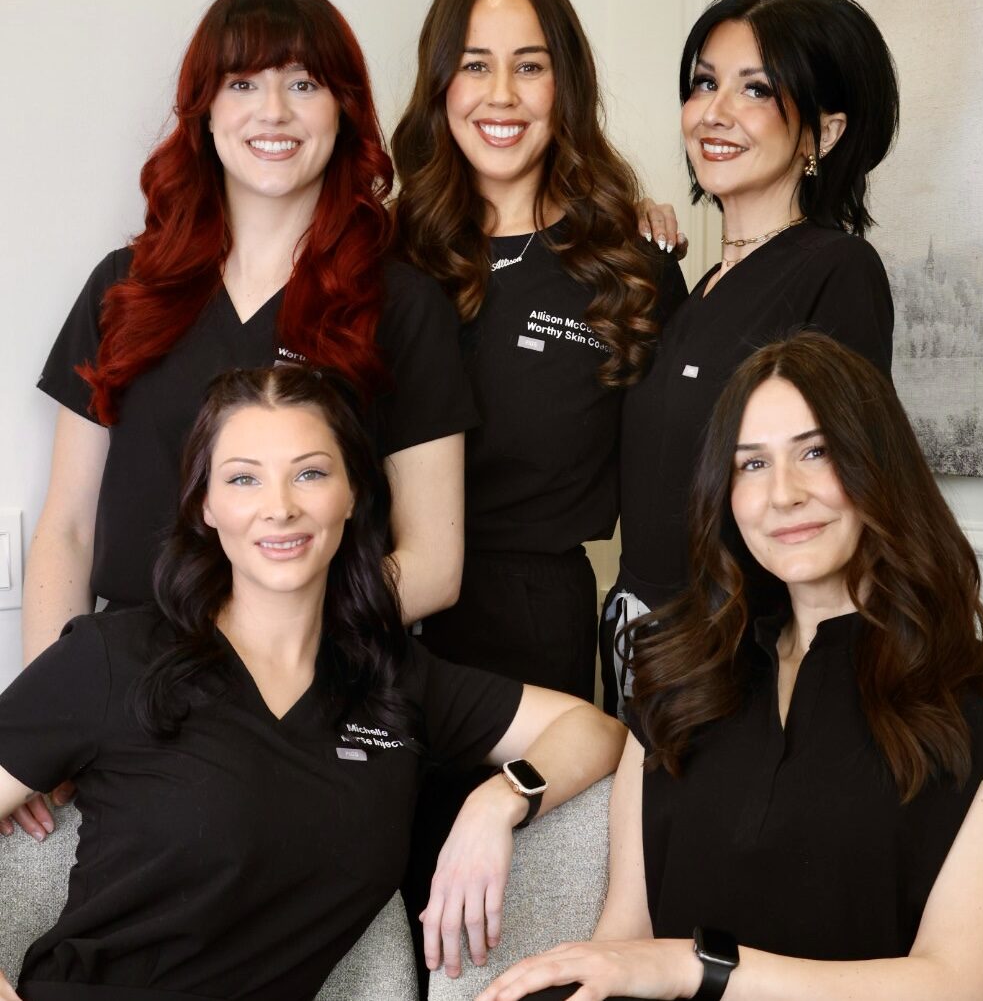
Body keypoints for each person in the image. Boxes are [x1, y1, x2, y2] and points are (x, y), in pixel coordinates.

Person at [476, 332, 983, 1001]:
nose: (782, 494)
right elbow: (626, 936)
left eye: (816, 452)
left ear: (880, 466)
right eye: (752, 464)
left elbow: (961, 987)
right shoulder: (676, 681)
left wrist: (697, 968)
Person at [9, 0, 475, 836]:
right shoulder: (123, 289)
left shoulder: (403, 307)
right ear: (205, 111)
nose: (274, 111)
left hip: (307, 693)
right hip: (126, 692)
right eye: (243, 83)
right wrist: (50, 713)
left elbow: (435, 560)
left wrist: (267, 643)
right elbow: (67, 528)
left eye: (304, 83)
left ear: (344, 110)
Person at [0, 365, 626, 1001]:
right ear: (206, 506)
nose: (280, 508)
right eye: (244, 478)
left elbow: (594, 729)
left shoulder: (392, 679)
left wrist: (500, 801)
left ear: (352, 493)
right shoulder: (113, 656)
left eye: (310, 474)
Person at [393, 0, 687, 700]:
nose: (502, 94)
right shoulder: (384, 252)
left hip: (533, 627)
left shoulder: (629, 266)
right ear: (440, 83)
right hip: (376, 612)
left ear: (567, 86)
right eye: (475, 65)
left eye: (529, 67)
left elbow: (677, 489)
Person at [604, 0, 900, 713]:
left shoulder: (838, 269)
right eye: (705, 83)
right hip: (638, 640)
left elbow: (844, 493)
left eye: (756, 89)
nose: (715, 111)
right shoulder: (694, 289)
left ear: (824, 133)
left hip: (740, 651)